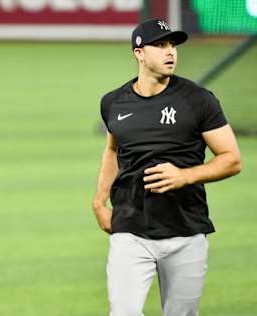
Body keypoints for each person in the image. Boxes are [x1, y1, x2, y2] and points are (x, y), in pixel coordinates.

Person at [92, 18, 241, 316]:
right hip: (130, 230)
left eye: (172, 45)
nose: (170, 51)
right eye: (159, 45)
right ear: (139, 53)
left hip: (185, 232)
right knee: (123, 312)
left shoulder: (199, 101)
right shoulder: (114, 103)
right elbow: (112, 149)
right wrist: (99, 201)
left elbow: (232, 159)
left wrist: (185, 175)